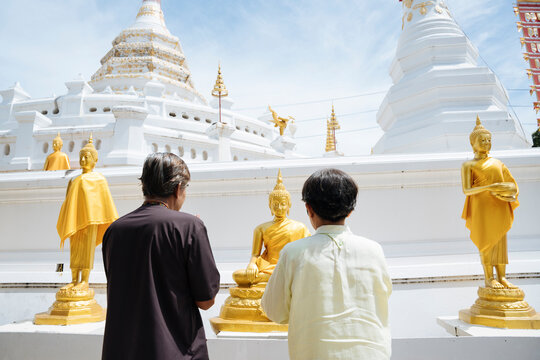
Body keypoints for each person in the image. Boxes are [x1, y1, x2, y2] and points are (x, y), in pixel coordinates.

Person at [261, 168, 392, 360]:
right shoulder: (374, 250)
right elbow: (384, 296)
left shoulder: (294, 252)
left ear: (309, 209)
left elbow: (274, 311)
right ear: (350, 211)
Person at [101, 153, 220, 360]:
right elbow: (206, 300)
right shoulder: (189, 227)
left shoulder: (114, 230)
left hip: (123, 350)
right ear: (177, 189)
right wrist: (193, 232)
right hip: (175, 351)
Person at [461, 116, 519, 289]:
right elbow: (466, 190)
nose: (486, 143)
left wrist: (509, 192)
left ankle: (502, 276)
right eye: (482, 140)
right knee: (486, 241)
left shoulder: (498, 163)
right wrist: (489, 187)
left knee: (500, 240)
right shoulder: (468, 165)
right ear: (473, 143)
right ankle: (489, 278)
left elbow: (512, 185)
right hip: (481, 207)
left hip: (499, 204)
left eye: (488, 140)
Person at [56, 135, 117, 292]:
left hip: (91, 220)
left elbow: (105, 202)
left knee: (86, 250)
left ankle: (85, 280)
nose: (83, 159)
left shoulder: (99, 179)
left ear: (95, 160)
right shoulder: (73, 180)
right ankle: (74, 279)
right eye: (81, 156)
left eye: (87, 157)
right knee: (75, 250)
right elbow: (68, 202)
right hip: (75, 220)